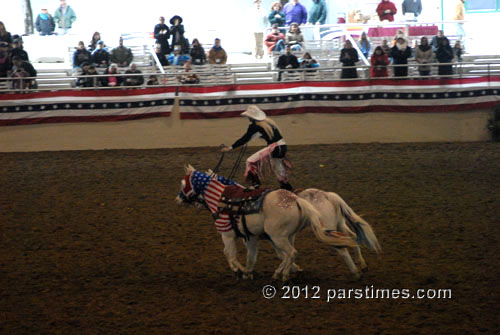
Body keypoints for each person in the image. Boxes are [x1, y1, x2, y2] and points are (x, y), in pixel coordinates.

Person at [221, 105, 293, 191]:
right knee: (278, 168)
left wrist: (230, 147)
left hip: (274, 148)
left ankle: (256, 184)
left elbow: (245, 139)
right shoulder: (268, 122)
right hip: (282, 146)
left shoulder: (255, 126)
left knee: (250, 161)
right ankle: (287, 187)